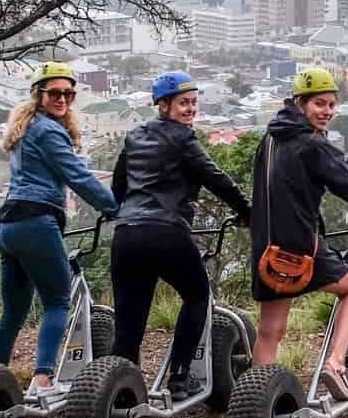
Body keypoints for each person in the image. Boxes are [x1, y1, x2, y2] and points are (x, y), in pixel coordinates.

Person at [249, 67, 348, 401]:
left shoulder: (270, 138)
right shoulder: (312, 145)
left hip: (265, 248)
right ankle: (336, 364)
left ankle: (258, 402)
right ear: (300, 102)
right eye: (320, 103)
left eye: (332, 105)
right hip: (300, 248)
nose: (327, 112)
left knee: (269, 331)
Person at [108, 71, 252, 400]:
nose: (190, 109)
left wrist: (124, 211)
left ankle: (119, 393)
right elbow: (217, 179)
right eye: (183, 103)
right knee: (197, 295)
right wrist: (247, 211)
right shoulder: (183, 138)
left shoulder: (133, 137)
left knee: (129, 323)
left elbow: (118, 186)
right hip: (166, 230)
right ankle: (180, 376)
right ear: (163, 105)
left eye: (193, 103)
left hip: (127, 235)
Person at [0, 62, 118, 394]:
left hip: (7, 226)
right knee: (58, 301)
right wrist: (115, 208)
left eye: (68, 93)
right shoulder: (48, 130)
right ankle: (43, 380)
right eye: (55, 92)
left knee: (13, 314)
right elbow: (78, 176)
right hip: (36, 222)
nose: (62, 99)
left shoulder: (25, 127)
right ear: (39, 94)